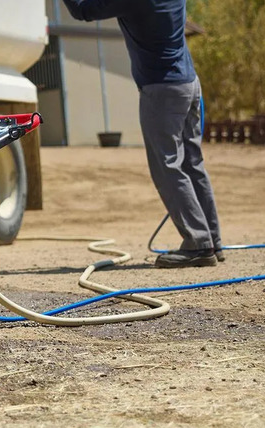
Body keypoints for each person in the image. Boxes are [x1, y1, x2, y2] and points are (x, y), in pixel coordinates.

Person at [61, 0, 223, 268]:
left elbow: (83, 10)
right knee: (192, 163)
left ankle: (198, 243)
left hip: (163, 89)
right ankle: (212, 241)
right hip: (189, 84)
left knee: (167, 165)